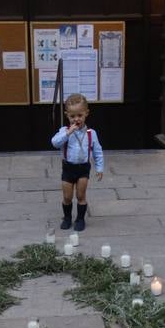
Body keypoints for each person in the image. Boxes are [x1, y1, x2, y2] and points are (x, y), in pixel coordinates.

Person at [51, 93, 104, 231]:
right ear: (67, 115)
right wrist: (68, 132)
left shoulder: (91, 133)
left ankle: (80, 219)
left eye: (80, 115)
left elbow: (97, 151)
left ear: (86, 113)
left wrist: (99, 167)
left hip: (83, 169)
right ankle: (67, 218)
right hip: (68, 168)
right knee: (67, 197)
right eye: (72, 116)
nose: (76, 119)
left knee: (81, 195)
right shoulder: (64, 131)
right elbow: (55, 143)